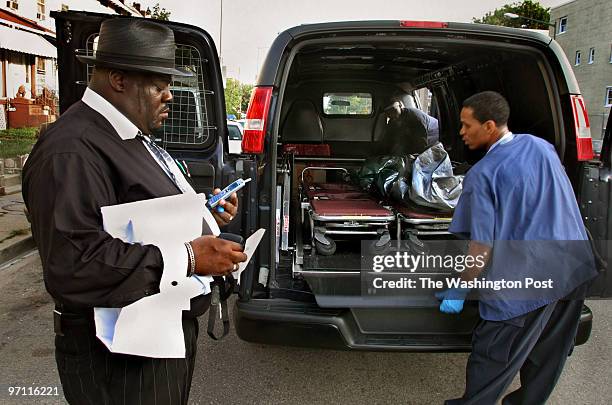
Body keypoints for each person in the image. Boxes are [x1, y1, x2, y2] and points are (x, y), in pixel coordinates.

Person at [22, 19, 247, 404]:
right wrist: (191, 257)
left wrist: (206, 216)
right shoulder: (72, 150)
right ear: (118, 80)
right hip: (118, 357)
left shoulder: (130, 137)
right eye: (158, 85)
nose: (170, 96)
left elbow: (142, 218)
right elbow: (75, 265)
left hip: (156, 338)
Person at [436, 91, 598, 404]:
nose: (461, 132)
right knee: (548, 357)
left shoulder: (482, 175)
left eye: (466, 125)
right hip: (571, 269)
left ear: (489, 126)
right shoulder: (541, 147)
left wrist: (459, 289)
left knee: (492, 358)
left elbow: (481, 248)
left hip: (523, 283)